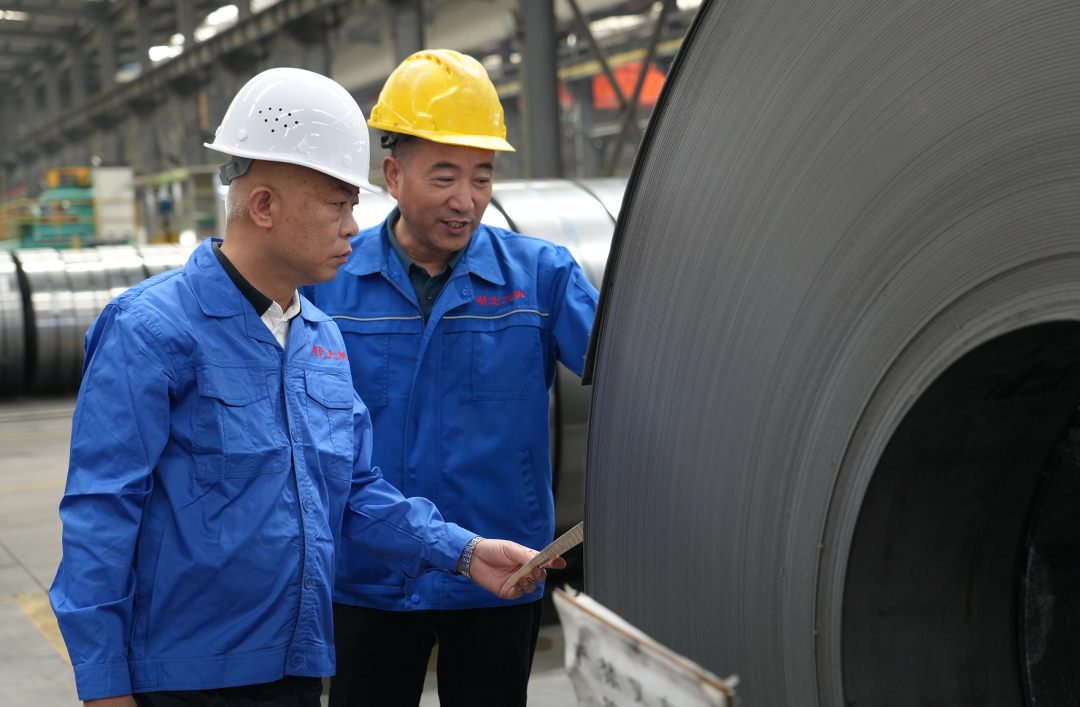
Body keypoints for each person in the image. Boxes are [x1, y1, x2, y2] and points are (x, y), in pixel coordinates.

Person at [49, 67, 559, 707]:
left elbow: (353, 491)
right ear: (264, 206)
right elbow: (101, 512)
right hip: (185, 682)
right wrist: (104, 687)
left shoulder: (318, 336)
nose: (353, 227)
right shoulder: (151, 330)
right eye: (337, 205)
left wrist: (464, 552)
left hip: (296, 667)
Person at [302, 50, 599, 707]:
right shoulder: (329, 282)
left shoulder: (540, 277)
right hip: (368, 574)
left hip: (502, 572)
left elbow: (636, 372)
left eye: (481, 177)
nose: (466, 201)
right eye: (444, 176)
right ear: (393, 175)